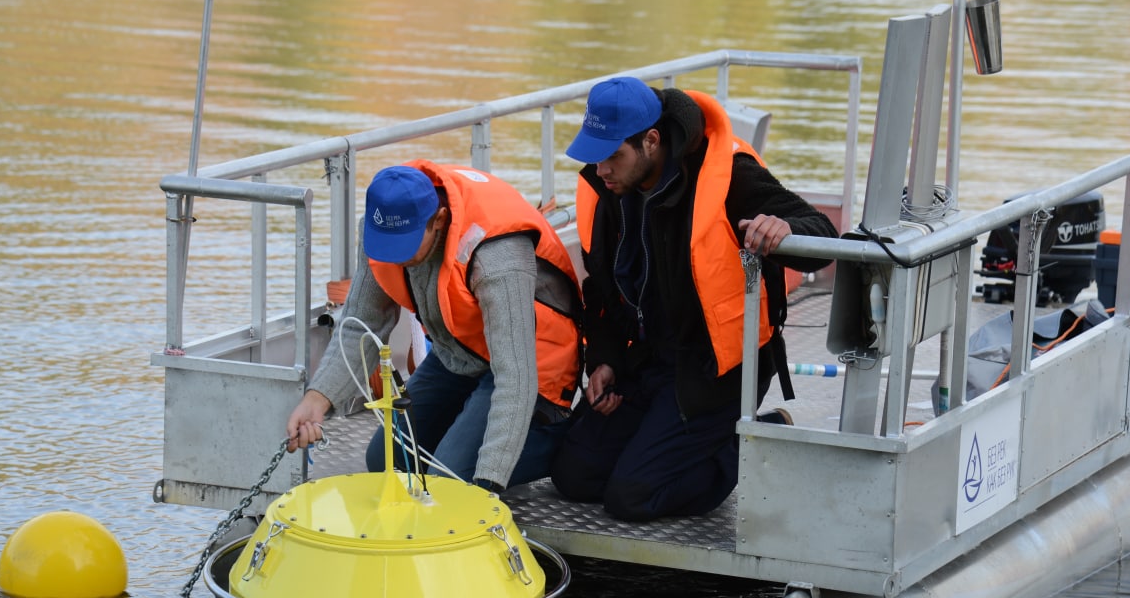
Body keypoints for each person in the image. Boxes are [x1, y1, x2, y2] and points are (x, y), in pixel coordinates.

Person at [550, 76, 837, 521]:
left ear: (651, 141)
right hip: (646, 361)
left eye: (612, 156)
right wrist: (604, 359)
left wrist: (785, 229)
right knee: (574, 477)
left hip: (714, 371)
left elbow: (821, 226)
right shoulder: (606, 188)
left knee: (632, 498)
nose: (601, 170)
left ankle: (755, 437)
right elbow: (601, 289)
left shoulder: (726, 172)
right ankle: (666, 439)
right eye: (595, 155)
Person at [286, 161, 583, 493]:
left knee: (453, 482)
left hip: (532, 365)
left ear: (439, 220)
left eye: (404, 247)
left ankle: (561, 440)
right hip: (460, 352)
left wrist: (487, 482)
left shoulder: (497, 255)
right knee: (387, 462)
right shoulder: (381, 231)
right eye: (386, 246)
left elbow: (516, 375)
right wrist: (317, 400)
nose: (393, 258)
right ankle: (467, 433)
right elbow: (362, 323)